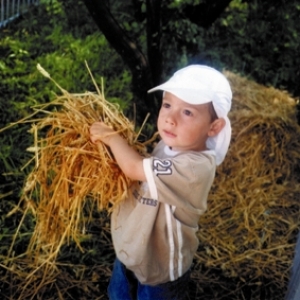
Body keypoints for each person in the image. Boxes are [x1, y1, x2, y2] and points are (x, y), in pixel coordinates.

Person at [89, 65, 232, 300]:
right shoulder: (172, 144)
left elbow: (134, 168)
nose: (170, 119)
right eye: (167, 105)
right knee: (119, 295)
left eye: (187, 112)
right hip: (134, 248)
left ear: (214, 127)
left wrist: (111, 137)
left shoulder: (195, 168)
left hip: (161, 267)